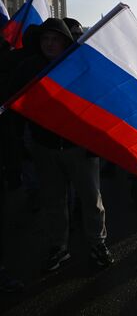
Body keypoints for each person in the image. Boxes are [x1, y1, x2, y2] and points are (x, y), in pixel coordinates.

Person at [7, 18, 114, 271]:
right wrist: (20, 143)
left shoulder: (79, 66)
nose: (50, 44)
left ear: (65, 41)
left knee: (91, 199)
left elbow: (97, 105)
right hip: (45, 147)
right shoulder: (29, 69)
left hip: (80, 147)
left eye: (55, 39)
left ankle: (97, 244)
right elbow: (16, 105)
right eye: (45, 39)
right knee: (54, 200)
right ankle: (59, 247)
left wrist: (95, 143)